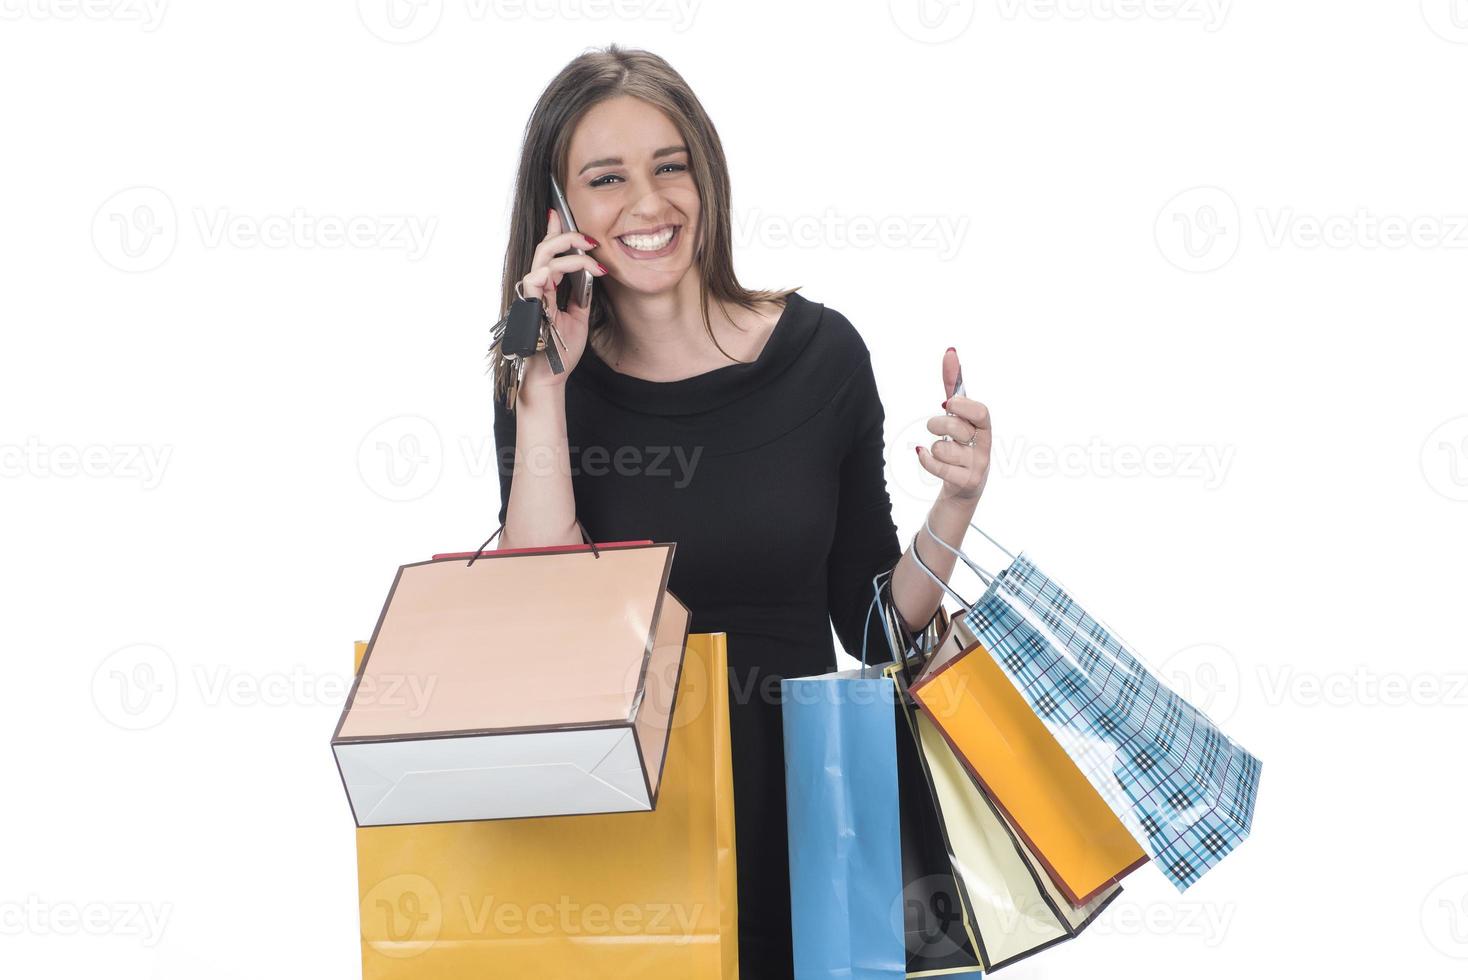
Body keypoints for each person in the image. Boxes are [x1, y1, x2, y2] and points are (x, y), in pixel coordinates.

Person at [491, 44, 992, 978]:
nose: (648, 204)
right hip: (629, 847)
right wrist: (544, 384)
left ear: (706, 177)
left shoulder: (822, 357)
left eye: (669, 165)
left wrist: (955, 506)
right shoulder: (546, 385)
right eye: (607, 179)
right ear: (559, 215)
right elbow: (545, 626)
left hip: (819, 828)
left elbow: (873, 626)